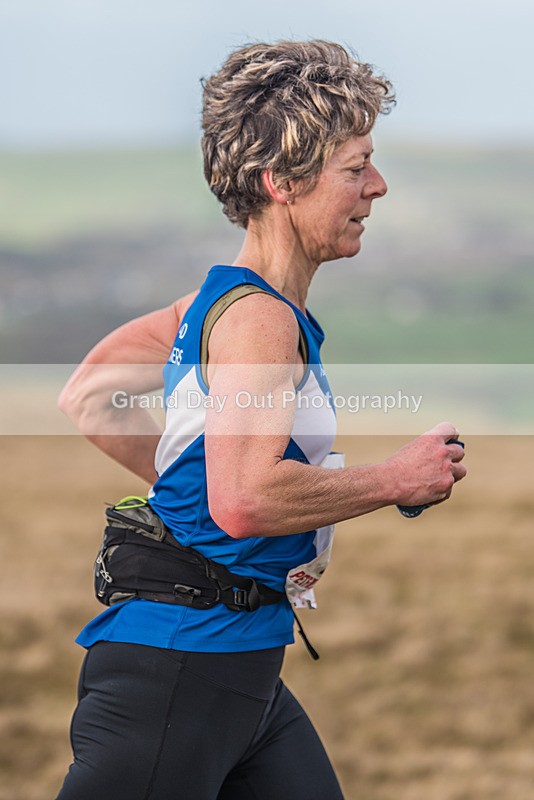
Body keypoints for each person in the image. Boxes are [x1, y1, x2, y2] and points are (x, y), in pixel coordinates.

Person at [56, 40, 467, 800]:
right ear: (282, 181)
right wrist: (396, 478)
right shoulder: (259, 321)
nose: (377, 186)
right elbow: (244, 500)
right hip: (179, 672)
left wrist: (205, 484)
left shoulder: (214, 305)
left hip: (240, 672)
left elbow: (90, 393)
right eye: (356, 167)